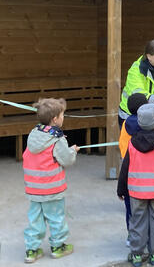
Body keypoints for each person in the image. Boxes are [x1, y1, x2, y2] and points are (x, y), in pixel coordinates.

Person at [117, 103, 154, 267]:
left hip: (137, 191)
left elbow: (125, 168)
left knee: (137, 221)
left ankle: (136, 254)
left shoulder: (132, 143)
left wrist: (121, 189)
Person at [23, 98, 79, 264]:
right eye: (63, 115)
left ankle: (31, 251)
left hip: (33, 189)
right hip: (52, 189)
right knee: (56, 218)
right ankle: (58, 247)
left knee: (35, 219)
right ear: (55, 119)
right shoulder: (57, 139)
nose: (64, 117)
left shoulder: (34, 134)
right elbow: (66, 160)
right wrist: (72, 151)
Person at [118, 93, 149, 238]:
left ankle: (132, 237)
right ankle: (147, 237)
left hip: (129, 169)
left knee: (130, 208)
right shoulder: (146, 127)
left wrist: (120, 189)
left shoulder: (125, 124)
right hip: (145, 170)